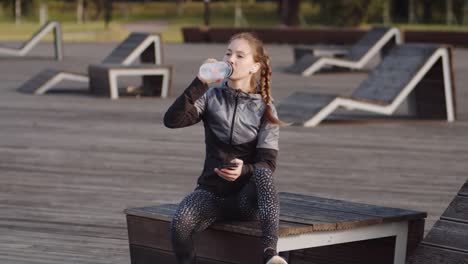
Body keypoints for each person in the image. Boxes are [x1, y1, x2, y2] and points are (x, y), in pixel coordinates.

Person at [163, 32, 287, 264]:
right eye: (228, 53)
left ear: (254, 66)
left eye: (240, 55)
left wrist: (245, 170)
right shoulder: (210, 96)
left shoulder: (265, 107)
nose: (231, 59)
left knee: (262, 173)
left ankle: (270, 253)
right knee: (180, 222)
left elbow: (268, 164)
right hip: (212, 194)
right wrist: (200, 83)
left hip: (246, 200)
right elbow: (172, 121)